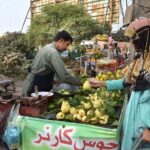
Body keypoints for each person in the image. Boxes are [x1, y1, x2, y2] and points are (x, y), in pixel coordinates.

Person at [88, 18, 150, 150]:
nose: (132, 44)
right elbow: (126, 82)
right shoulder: (141, 61)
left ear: (145, 39)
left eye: (135, 40)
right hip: (136, 121)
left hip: (146, 130)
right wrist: (100, 83)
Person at [22, 30, 82, 96]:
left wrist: (51, 80)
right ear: (61, 41)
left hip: (36, 82)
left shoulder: (47, 47)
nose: (66, 48)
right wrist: (82, 82)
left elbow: (43, 67)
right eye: (67, 44)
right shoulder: (53, 53)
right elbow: (64, 77)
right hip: (37, 85)